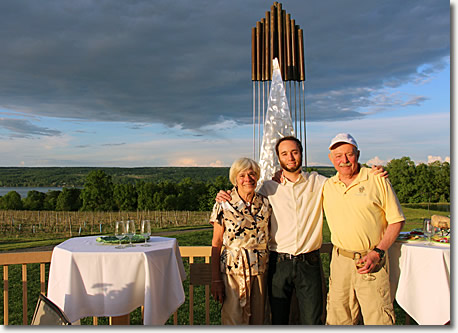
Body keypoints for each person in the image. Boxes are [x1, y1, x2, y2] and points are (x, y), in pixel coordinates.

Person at [216, 136, 388, 325]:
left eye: (294, 152)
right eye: (284, 154)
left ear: (301, 154)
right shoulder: (268, 187)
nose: (290, 157)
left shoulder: (320, 182)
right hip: (278, 263)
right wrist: (224, 194)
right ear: (278, 158)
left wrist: (372, 173)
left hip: (309, 262)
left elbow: (345, 176)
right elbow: (244, 194)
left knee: (312, 320)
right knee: (277, 320)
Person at [323, 133, 405, 325]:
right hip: (340, 262)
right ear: (331, 158)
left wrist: (377, 252)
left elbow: (396, 221)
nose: (344, 160)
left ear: (358, 154)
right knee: (338, 319)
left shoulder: (377, 179)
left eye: (349, 154)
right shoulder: (328, 185)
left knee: (378, 319)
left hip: (372, 260)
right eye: (338, 155)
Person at [210, 157, 272, 325]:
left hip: (260, 271)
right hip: (232, 273)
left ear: (257, 176)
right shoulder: (223, 204)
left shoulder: (265, 203)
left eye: (252, 174)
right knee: (233, 320)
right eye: (242, 175)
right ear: (235, 179)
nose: (247, 179)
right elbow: (216, 243)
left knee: (259, 320)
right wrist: (215, 279)